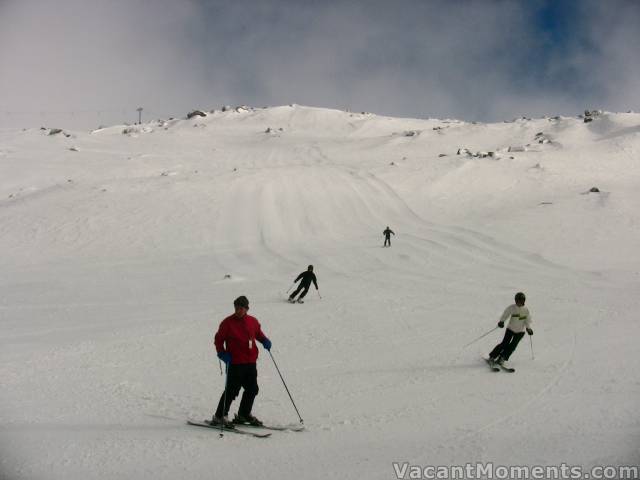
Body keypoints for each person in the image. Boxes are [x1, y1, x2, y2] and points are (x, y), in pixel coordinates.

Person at [212, 295, 272, 427]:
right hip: (234, 362)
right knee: (232, 390)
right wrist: (222, 353)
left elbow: (258, 334)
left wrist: (265, 341)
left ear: (246, 308)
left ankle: (243, 414)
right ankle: (219, 416)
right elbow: (218, 340)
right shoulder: (227, 323)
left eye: (241, 308)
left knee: (252, 389)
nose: (238, 310)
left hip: (250, 362)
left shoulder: (253, 321)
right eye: (236, 307)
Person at [488, 292, 533, 367]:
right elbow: (506, 314)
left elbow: (527, 320)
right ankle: (492, 356)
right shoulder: (512, 308)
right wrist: (501, 321)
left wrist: (528, 329)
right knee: (504, 343)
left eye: (521, 301)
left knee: (512, 346)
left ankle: (502, 358)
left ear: (524, 301)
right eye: (518, 301)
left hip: (520, 332)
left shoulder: (526, 310)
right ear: (515, 301)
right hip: (510, 329)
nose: (519, 303)